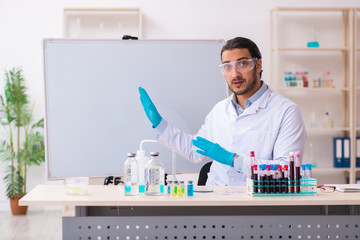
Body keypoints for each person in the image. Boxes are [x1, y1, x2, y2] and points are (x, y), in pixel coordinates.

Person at [139, 37, 306, 186]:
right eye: (227, 67)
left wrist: (234, 160)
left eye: (242, 64)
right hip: (216, 199)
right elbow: (194, 150)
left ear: (258, 65)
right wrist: (160, 124)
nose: (235, 74)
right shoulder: (220, 110)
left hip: (258, 203)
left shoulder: (286, 112)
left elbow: (288, 171)